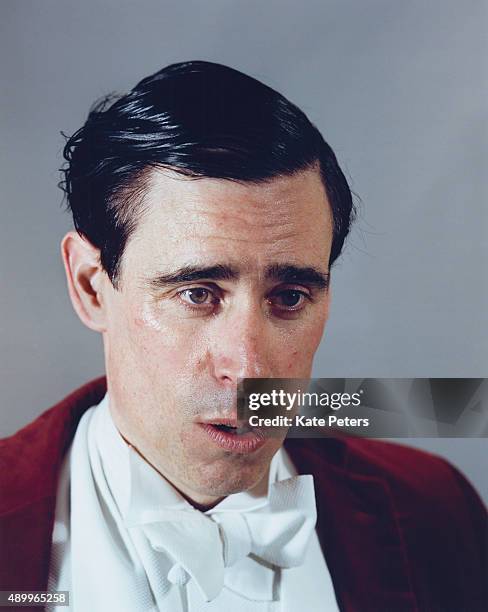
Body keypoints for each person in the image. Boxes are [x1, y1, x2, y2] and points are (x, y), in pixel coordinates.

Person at [0, 61, 486, 612]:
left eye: (290, 297)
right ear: (91, 287)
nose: (252, 368)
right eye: (197, 293)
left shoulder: (436, 510)